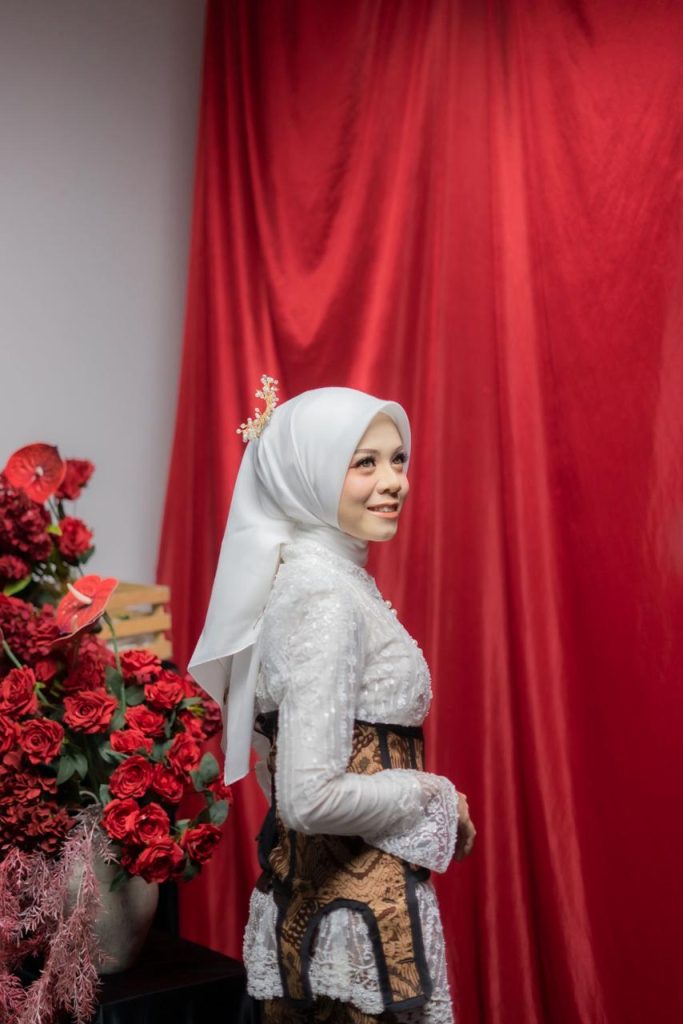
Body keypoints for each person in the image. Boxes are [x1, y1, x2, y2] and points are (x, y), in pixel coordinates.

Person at [189, 381, 476, 1024]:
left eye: (398, 459)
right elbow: (307, 797)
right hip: (352, 925)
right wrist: (433, 795)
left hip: (347, 914)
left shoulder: (325, 582)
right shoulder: (323, 597)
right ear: (309, 473)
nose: (394, 481)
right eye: (364, 462)